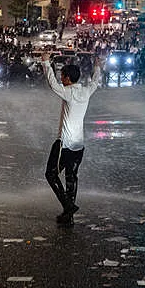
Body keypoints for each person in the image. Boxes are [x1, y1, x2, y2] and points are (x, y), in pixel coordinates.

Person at [41, 52, 102, 226]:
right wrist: (97, 67)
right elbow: (95, 81)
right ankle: (68, 217)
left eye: (62, 76)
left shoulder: (68, 92)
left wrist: (46, 63)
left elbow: (52, 84)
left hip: (64, 143)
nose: (61, 80)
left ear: (68, 78)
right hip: (79, 144)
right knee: (71, 177)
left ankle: (68, 207)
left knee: (51, 174)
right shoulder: (86, 91)